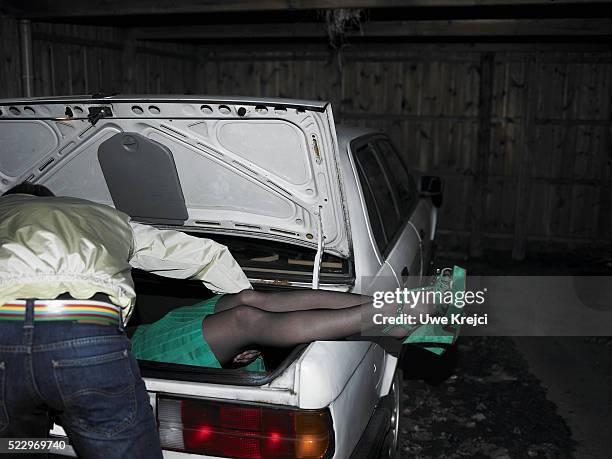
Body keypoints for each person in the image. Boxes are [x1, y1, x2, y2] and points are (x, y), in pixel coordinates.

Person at [0, 182, 251, 459]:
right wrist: (243, 308)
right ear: (51, 199)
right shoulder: (100, 215)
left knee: (14, 447)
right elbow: (208, 255)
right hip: (84, 331)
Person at [131, 283, 440, 370]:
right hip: (129, 350)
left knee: (248, 298)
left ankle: (388, 311)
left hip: (149, 325)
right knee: (244, 320)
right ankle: (390, 311)